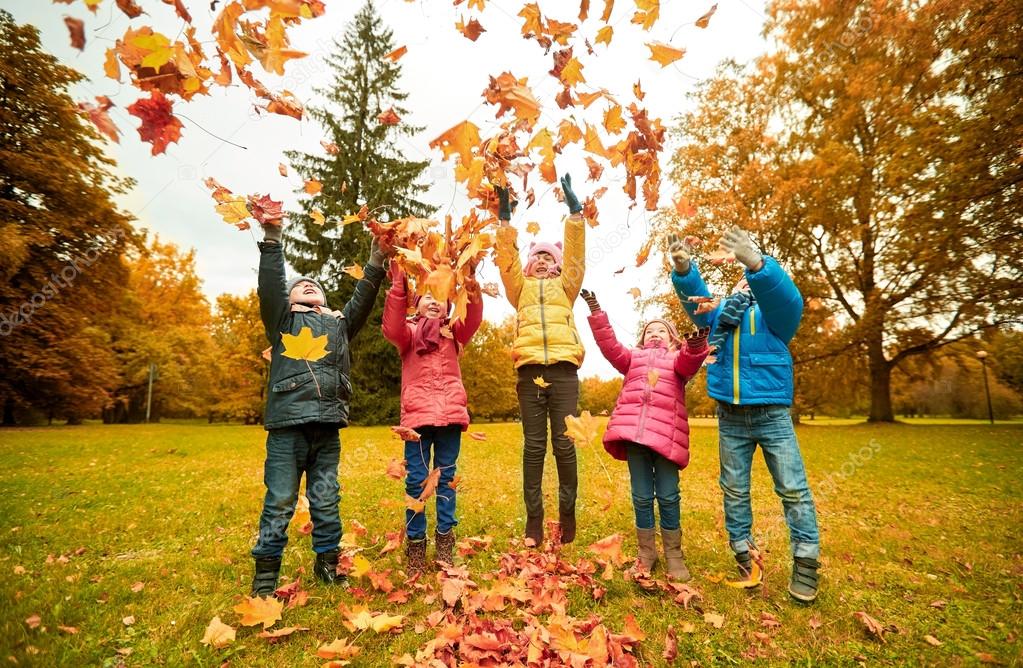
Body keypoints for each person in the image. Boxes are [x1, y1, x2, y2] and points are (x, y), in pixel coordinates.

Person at [669, 225, 821, 602]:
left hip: (772, 415)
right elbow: (697, 304)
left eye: (752, 278)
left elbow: (787, 298)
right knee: (734, 489)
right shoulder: (720, 316)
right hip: (730, 416)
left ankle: (805, 561)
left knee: (792, 488)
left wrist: (758, 264)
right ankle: (743, 553)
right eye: (743, 278)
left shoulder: (776, 317)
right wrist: (685, 272)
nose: (746, 284)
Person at [250, 220, 387, 597]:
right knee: (279, 500)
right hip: (287, 429)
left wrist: (376, 259)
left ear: (326, 301)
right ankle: (265, 575)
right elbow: (271, 286)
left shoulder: (339, 326)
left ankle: (328, 563)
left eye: (316, 286)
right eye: (300, 285)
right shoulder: (283, 320)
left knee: (326, 498)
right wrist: (273, 240)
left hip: (327, 429)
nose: (308, 284)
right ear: (290, 299)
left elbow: (362, 300)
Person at [581, 288, 709, 580]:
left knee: (668, 495)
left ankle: (674, 554)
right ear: (641, 338)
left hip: (666, 439)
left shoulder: (677, 360)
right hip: (635, 437)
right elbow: (610, 346)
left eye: (661, 330)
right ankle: (646, 553)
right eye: (650, 330)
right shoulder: (632, 359)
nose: (655, 333)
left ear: (673, 338)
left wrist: (696, 345)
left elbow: (690, 361)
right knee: (641, 496)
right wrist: (596, 311)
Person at [493, 174, 586, 546]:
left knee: (564, 444)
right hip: (530, 371)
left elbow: (577, 259)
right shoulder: (521, 289)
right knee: (534, 446)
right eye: (539, 257)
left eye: (550, 257)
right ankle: (534, 521)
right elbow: (507, 264)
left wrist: (575, 214)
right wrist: (504, 223)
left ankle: (567, 516)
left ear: (558, 265)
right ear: (530, 265)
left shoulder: (567, 287)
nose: (544, 261)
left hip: (563, 371)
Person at [381, 262, 483, 573]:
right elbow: (391, 326)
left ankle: (444, 542)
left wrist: (470, 282)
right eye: (427, 295)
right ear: (416, 303)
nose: (434, 300)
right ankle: (415, 545)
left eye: (440, 295)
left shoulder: (454, 332)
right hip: (417, 420)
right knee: (416, 480)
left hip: (451, 416)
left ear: (450, 304)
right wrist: (399, 283)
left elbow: (474, 317)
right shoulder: (408, 335)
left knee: (446, 480)